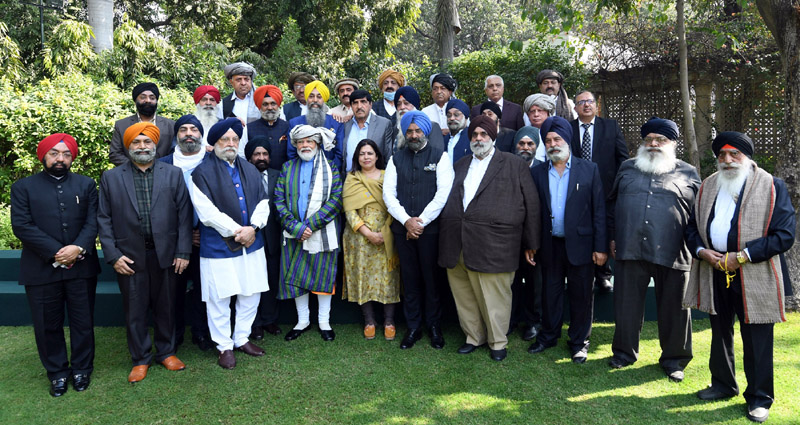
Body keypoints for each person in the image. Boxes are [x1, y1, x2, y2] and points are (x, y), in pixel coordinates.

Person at [684, 132, 794, 424]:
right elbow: (691, 228)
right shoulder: (707, 186)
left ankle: (759, 398)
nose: (728, 160)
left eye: (735, 154)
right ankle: (723, 384)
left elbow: (784, 236)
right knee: (719, 331)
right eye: (722, 154)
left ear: (747, 157)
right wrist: (702, 252)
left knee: (757, 338)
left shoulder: (772, 185)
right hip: (715, 269)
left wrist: (742, 256)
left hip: (754, 273)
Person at [439, 115, 540, 361]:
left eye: (483, 134)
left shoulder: (513, 164)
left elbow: (532, 204)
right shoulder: (460, 164)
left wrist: (531, 243)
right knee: (464, 295)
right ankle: (474, 337)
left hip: (495, 244)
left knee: (495, 296)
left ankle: (497, 342)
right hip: (457, 241)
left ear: (492, 137)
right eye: (474, 134)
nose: (478, 138)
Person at [606, 117, 700, 382]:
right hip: (629, 246)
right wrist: (611, 237)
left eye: (660, 139)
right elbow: (611, 206)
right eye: (648, 140)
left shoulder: (688, 172)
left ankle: (674, 359)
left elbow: (699, 214)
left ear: (673, 143)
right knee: (626, 306)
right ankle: (623, 353)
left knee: (675, 309)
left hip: (674, 250)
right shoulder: (627, 168)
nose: (653, 144)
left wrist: (697, 248)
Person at [98, 122, 192, 382]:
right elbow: (103, 218)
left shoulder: (173, 174)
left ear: (155, 144)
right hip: (129, 257)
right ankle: (140, 359)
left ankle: (166, 352)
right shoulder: (111, 177)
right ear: (128, 146)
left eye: (147, 142)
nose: (142, 146)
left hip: (167, 255)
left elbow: (184, 215)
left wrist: (183, 251)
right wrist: (113, 255)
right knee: (135, 310)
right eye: (136, 142)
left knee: (167, 307)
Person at [11, 134, 100, 397]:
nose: (60, 158)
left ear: (72, 158)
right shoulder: (23, 187)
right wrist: (57, 253)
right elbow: (22, 225)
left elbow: (93, 221)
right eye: (54, 153)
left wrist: (78, 247)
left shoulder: (86, 184)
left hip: (81, 266)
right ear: (44, 156)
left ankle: (82, 369)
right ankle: (58, 373)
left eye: (66, 154)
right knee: (46, 324)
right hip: (40, 268)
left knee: (83, 322)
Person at [190, 118, 271, 369]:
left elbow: (263, 202)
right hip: (218, 247)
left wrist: (253, 228)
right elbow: (207, 213)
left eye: (235, 139)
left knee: (251, 292)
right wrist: (239, 231)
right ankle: (224, 346)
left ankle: (242, 338)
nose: (230, 143)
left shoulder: (250, 169)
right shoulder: (201, 173)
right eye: (225, 139)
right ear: (214, 143)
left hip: (252, 243)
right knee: (219, 298)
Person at [527, 116, 607, 364]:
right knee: (550, 294)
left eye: (557, 139)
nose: (553, 144)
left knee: (581, 295)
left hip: (581, 245)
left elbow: (599, 211)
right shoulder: (537, 172)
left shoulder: (589, 169)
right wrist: (531, 243)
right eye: (548, 140)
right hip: (549, 244)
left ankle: (579, 343)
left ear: (568, 140)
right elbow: (532, 212)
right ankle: (548, 336)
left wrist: (601, 247)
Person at [383, 111, 454, 350]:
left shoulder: (440, 157)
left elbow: (443, 194)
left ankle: (434, 326)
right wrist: (406, 222)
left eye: (417, 131)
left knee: (432, 280)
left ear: (426, 131)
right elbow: (388, 195)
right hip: (403, 230)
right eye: (409, 131)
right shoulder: (395, 159)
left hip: (430, 232)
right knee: (410, 280)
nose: (413, 135)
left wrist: (420, 222)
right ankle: (413, 327)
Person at [275, 125, 343, 342]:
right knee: (297, 277)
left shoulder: (331, 168)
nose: (305, 145)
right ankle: (302, 321)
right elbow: (278, 200)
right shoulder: (287, 168)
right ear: (295, 145)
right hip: (293, 233)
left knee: (323, 276)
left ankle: (324, 322)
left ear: (317, 143)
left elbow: (336, 200)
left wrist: (310, 226)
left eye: (309, 141)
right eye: (301, 142)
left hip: (321, 232)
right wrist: (296, 228)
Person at [158, 114, 213, 351]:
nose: (189, 134)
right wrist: (182, 235)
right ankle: (174, 334)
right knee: (173, 290)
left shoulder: (212, 160)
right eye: (183, 130)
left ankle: (202, 333)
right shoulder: (163, 163)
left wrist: (201, 232)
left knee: (204, 289)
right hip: (173, 240)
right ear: (176, 135)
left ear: (201, 134)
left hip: (206, 238)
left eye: (194, 129)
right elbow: (157, 205)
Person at [569, 90, 629, 292]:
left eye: (590, 101)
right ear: (575, 107)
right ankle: (580, 273)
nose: (586, 105)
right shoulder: (568, 128)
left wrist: (618, 185)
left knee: (603, 228)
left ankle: (603, 275)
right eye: (581, 102)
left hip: (605, 189)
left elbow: (622, 158)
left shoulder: (610, 126)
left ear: (596, 105)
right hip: (576, 189)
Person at [342, 139, 401, 340]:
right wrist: (367, 233)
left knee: (388, 277)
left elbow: (394, 204)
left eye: (369, 153)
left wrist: (385, 231)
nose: (366, 157)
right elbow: (349, 210)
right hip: (359, 237)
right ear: (357, 157)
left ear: (377, 156)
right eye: (362, 154)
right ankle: (369, 321)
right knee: (363, 276)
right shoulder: (352, 178)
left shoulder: (388, 176)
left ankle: (389, 321)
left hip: (387, 234)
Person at [245, 136, 283, 339]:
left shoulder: (279, 174)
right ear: (249, 157)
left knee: (271, 279)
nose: (261, 157)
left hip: (273, 237)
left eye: (265, 154)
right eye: (257, 154)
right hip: (250, 237)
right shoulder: (242, 175)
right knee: (252, 282)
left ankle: (269, 320)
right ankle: (254, 323)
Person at [509, 125, 544, 340]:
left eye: (530, 143)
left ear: (536, 146)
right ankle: (510, 320)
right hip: (510, 237)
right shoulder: (506, 168)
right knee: (510, 282)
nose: (525, 147)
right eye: (521, 143)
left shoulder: (542, 170)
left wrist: (534, 240)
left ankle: (533, 321)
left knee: (534, 283)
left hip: (535, 237)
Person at [110, 82, 175, 166]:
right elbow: (115, 153)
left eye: (152, 98)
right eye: (143, 97)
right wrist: (136, 168)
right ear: (135, 101)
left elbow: (175, 153)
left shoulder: (171, 125)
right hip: (131, 173)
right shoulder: (122, 125)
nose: (148, 100)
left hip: (164, 172)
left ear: (156, 101)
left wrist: (160, 168)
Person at [286, 80, 344, 170]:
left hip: (329, 171)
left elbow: (339, 154)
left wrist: (330, 172)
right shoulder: (295, 123)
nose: (315, 100)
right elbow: (291, 153)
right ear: (306, 99)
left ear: (324, 100)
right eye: (311, 96)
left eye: (319, 97)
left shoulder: (336, 123)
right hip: (301, 172)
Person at [342, 89, 393, 171]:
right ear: (351, 106)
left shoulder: (384, 124)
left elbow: (388, 155)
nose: (359, 106)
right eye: (355, 103)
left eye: (363, 102)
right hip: (349, 177)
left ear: (370, 104)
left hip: (375, 177)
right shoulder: (345, 126)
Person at [248, 85, 290, 170]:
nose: (270, 108)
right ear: (260, 106)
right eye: (265, 104)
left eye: (273, 103)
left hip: (283, 175)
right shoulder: (249, 128)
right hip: (256, 175)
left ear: (278, 105)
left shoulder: (288, 127)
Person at [393, 86, 446, 153]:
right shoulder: (396, 129)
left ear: (415, 106)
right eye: (398, 104)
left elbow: (437, 154)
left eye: (406, 103)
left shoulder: (432, 127)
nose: (402, 107)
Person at [522, 93, 557, 163]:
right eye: (532, 111)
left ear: (548, 113)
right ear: (528, 115)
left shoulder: (557, 134)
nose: (536, 114)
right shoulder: (523, 136)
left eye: (540, 110)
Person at [443, 98, 471, 164]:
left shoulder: (472, 137)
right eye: (449, 115)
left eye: (456, 115)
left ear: (466, 117)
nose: (452, 118)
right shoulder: (444, 140)